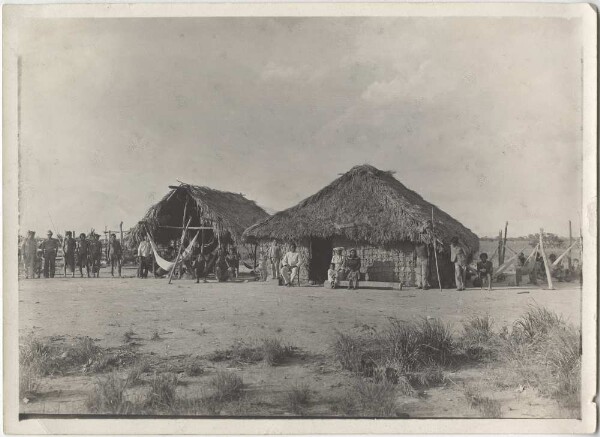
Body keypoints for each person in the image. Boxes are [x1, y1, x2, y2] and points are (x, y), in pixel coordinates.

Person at [415, 221, 433, 290]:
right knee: (420, 272)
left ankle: (424, 285)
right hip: (419, 258)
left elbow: (429, 247)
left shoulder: (425, 244)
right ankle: (420, 285)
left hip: (424, 259)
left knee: (423, 272)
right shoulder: (417, 245)